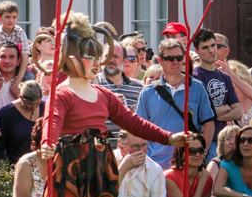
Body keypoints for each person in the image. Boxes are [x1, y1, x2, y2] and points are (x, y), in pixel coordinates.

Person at [30, 13, 186, 197]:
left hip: (99, 169)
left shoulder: (103, 94)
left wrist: (170, 138)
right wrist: (48, 143)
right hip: (70, 170)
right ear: (72, 59)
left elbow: (133, 122)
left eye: (97, 56)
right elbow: (52, 122)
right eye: (89, 56)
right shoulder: (61, 94)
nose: (97, 62)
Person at [135, 38, 215, 169]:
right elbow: (140, 128)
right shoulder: (148, 92)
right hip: (155, 164)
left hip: (187, 165)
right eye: (170, 58)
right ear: (160, 61)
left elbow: (209, 123)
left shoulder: (197, 87)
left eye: (179, 57)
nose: (175, 62)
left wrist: (202, 152)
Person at [191, 29, 240, 159]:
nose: (212, 51)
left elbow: (238, 112)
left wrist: (212, 114)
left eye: (214, 45)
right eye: (205, 48)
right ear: (197, 51)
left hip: (224, 141)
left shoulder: (225, 77)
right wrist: (226, 107)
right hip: (204, 142)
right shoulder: (194, 78)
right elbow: (199, 115)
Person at [94, 41, 144, 148]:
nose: (111, 60)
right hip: (100, 152)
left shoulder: (139, 87)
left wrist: (135, 113)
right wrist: (108, 103)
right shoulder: (92, 83)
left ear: (125, 60)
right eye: (107, 56)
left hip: (130, 153)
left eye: (116, 56)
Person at [0, 80, 44, 165]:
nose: (34, 107)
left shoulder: (45, 108)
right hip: (15, 164)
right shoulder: (7, 113)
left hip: (41, 163)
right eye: (30, 104)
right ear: (21, 97)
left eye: (37, 103)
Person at [0, 0, 30, 89]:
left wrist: (19, 79)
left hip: (17, 66)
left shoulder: (20, 32)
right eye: (7, 17)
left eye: (14, 17)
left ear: (17, 17)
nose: (11, 20)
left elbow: (25, 56)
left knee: (31, 80)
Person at [0, 41, 33, 111]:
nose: (7, 61)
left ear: (18, 61)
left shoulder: (26, 83)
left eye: (11, 57)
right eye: (3, 57)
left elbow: (34, 109)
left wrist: (20, 96)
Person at [225, 60, 252, 126]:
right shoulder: (226, 103)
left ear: (242, 76)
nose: (227, 79)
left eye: (229, 75)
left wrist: (232, 76)